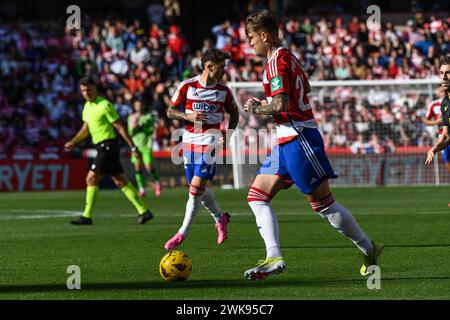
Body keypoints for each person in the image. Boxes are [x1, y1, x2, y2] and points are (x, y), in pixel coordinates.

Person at [242, 10, 383, 280]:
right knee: (256, 197)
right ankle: (274, 256)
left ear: (265, 36)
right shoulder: (286, 58)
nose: (250, 44)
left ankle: (369, 247)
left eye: (251, 38)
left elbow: (282, 103)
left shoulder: (276, 62)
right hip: (286, 140)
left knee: (323, 205)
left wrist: (257, 108)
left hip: (299, 139)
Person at [164, 49, 239, 250]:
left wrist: (228, 134)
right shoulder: (187, 86)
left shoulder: (224, 91)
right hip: (189, 141)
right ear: (208, 67)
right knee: (197, 188)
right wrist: (188, 117)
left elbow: (235, 114)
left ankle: (181, 234)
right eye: (221, 67)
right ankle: (220, 217)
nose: (224, 70)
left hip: (211, 141)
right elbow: (170, 112)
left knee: (195, 190)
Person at [64, 78, 154, 225]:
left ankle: (87, 216)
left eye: (89, 89)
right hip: (102, 146)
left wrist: (132, 147)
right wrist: (73, 142)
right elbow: (85, 129)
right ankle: (144, 211)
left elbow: (119, 127)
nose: (86, 93)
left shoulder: (105, 105)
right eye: (83, 90)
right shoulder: (87, 107)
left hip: (108, 146)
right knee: (120, 181)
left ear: (95, 88)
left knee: (91, 179)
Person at [127, 99, 162, 197]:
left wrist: (139, 125)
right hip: (135, 146)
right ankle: (142, 189)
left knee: (148, 167)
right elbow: (130, 132)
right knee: (137, 167)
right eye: (137, 105)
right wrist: (134, 125)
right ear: (134, 106)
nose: (139, 107)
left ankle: (157, 183)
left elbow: (150, 129)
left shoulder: (148, 116)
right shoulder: (131, 117)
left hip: (146, 145)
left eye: (141, 105)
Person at [425, 57, 450, 171]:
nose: (444, 77)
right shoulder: (445, 104)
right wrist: (434, 149)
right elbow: (446, 136)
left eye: (448, 73)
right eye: (441, 73)